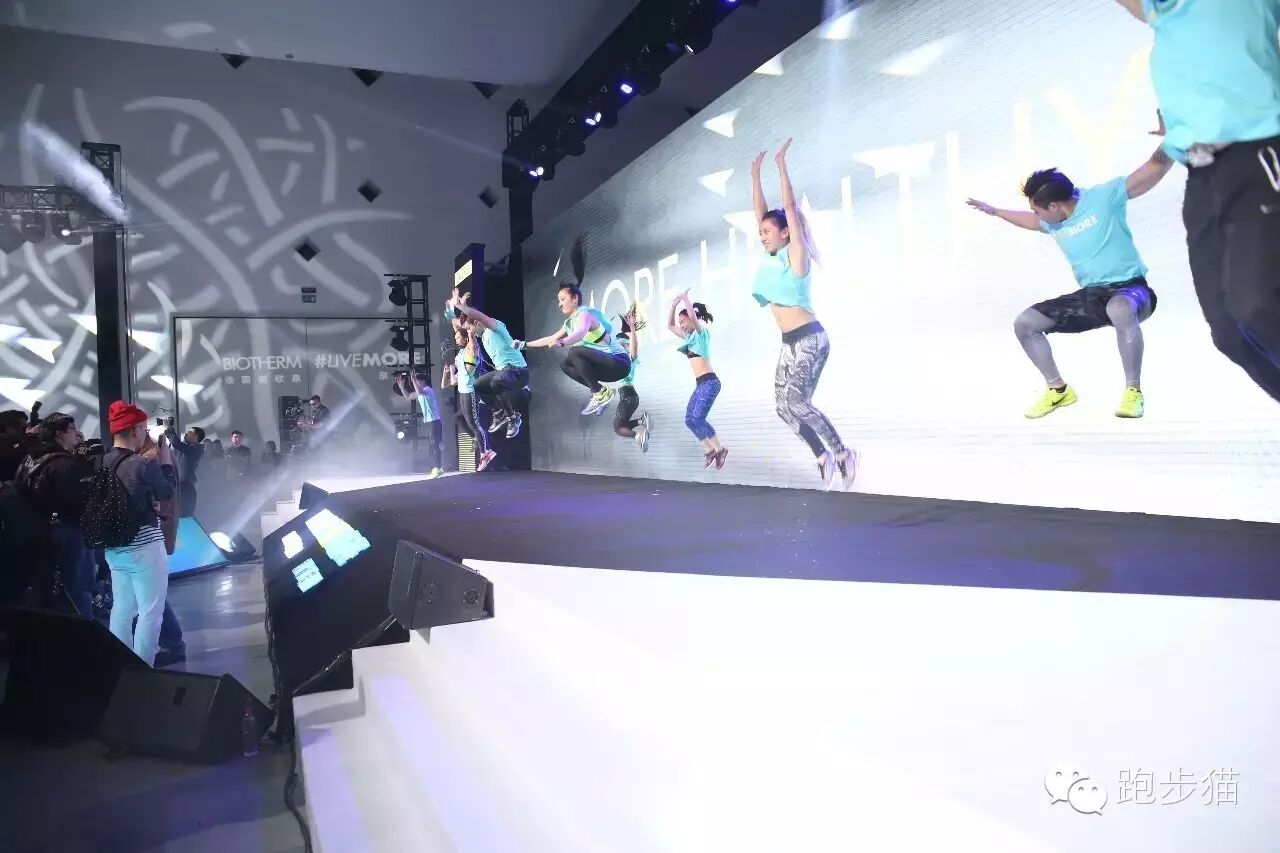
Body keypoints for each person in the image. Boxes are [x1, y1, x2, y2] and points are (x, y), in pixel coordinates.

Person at [1114, 0, 1280, 403]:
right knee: (1228, 331)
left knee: (1257, 306)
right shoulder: (1164, 10)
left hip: (1258, 150)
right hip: (1202, 174)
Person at [966, 124, 1175, 419]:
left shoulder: (1103, 198)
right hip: (1092, 297)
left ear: (1054, 206)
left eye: (1038, 210)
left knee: (1118, 308)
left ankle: (1133, 392)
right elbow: (1029, 220)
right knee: (1025, 323)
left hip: (1133, 291)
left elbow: (1154, 167)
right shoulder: (1052, 222)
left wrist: (1174, 136)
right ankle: (1058, 390)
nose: (1037, 216)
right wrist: (996, 211)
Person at [751, 140, 858, 490]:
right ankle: (822, 456)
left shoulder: (796, 254)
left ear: (786, 232)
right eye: (761, 232)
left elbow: (789, 209)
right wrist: (754, 177)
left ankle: (842, 453)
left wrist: (781, 167)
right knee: (783, 407)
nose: (762, 236)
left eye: (768, 232)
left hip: (811, 339)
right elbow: (761, 214)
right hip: (789, 344)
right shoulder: (770, 259)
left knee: (797, 402)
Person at [96, 401, 174, 667]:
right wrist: (165, 462)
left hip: (113, 546)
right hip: (145, 546)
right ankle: (143, 669)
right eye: (143, 428)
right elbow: (166, 492)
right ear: (135, 430)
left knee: (122, 609)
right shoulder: (142, 464)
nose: (145, 433)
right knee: (150, 612)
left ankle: (119, 666)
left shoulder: (101, 461)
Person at [518, 236, 633, 416]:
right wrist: (524, 344)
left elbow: (580, 333)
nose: (560, 304)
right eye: (558, 301)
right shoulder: (569, 323)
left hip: (619, 363)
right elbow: (550, 338)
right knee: (565, 364)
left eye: (562, 299)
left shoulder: (585, 314)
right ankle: (601, 391)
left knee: (574, 351)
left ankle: (599, 393)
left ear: (575, 298)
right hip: (607, 370)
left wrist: (563, 342)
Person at [15, 412, 94, 615]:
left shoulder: (29, 460)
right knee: (78, 588)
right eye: (72, 429)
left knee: (46, 588)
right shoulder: (63, 464)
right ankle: (82, 630)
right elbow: (80, 501)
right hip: (67, 532)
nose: (76, 433)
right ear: (59, 433)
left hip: (36, 532)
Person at [450, 292, 530, 439]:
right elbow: (458, 322)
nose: (470, 333)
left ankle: (513, 418)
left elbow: (477, 315)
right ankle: (498, 413)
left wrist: (459, 305)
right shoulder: (481, 334)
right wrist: (456, 310)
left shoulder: (494, 326)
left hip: (519, 372)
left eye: (470, 329)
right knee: (478, 385)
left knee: (496, 381)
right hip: (504, 374)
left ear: (477, 323)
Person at [139, 431, 185, 667]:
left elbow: (164, 494)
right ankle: (167, 643)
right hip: (152, 531)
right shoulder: (156, 456)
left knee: (152, 593)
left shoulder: (150, 458)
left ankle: (171, 643)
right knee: (150, 593)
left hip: (150, 532)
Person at [668, 291, 727, 469]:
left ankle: (717, 449)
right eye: (681, 323)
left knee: (698, 418)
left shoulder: (701, 334)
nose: (681, 325)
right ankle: (713, 450)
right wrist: (673, 305)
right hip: (701, 384)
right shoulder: (688, 337)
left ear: (691, 320)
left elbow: (693, 317)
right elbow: (670, 326)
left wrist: (685, 299)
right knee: (690, 420)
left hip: (710, 382)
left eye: (683, 321)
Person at [441, 328, 498, 471]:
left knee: (474, 423)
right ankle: (478, 440)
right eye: (455, 337)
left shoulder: (471, 350)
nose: (456, 340)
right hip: (462, 392)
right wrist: (450, 372)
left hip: (470, 391)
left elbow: (472, 343)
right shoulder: (460, 354)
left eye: (458, 337)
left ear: (466, 338)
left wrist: (470, 331)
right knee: (458, 418)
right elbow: (453, 381)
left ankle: (486, 453)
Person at [603, 308, 650, 452]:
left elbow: (634, 345)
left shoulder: (630, 359)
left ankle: (639, 435)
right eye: (621, 345)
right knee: (620, 426)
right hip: (630, 397)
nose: (624, 348)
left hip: (628, 396)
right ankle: (641, 421)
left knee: (618, 428)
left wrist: (633, 328)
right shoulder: (617, 359)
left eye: (625, 345)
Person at [397, 371, 444, 478]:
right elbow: (408, 396)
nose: (415, 384)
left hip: (434, 421)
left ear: (423, 382)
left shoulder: (428, 390)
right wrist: (402, 387)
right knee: (431, 447)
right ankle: (436, 467)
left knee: (435, 445)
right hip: (428, 422)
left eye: (417, 381)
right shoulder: (420, 392)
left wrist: (413, 379)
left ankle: (438, 467)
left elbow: (419, 391)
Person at [165, 425, 204, 517]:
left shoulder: (196, 449)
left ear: (196, 436)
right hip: (179, 486)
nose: (186, 434)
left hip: (187, 488)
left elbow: (176, 443)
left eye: (189, 432)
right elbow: (175, 446)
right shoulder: (186, 449)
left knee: (184, 514)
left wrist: (171, 433)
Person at [0, 409, 33, 481]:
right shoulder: (6, 448)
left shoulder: (13, 443)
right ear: (9, 427)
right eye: (23, 427)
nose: (25, 431)